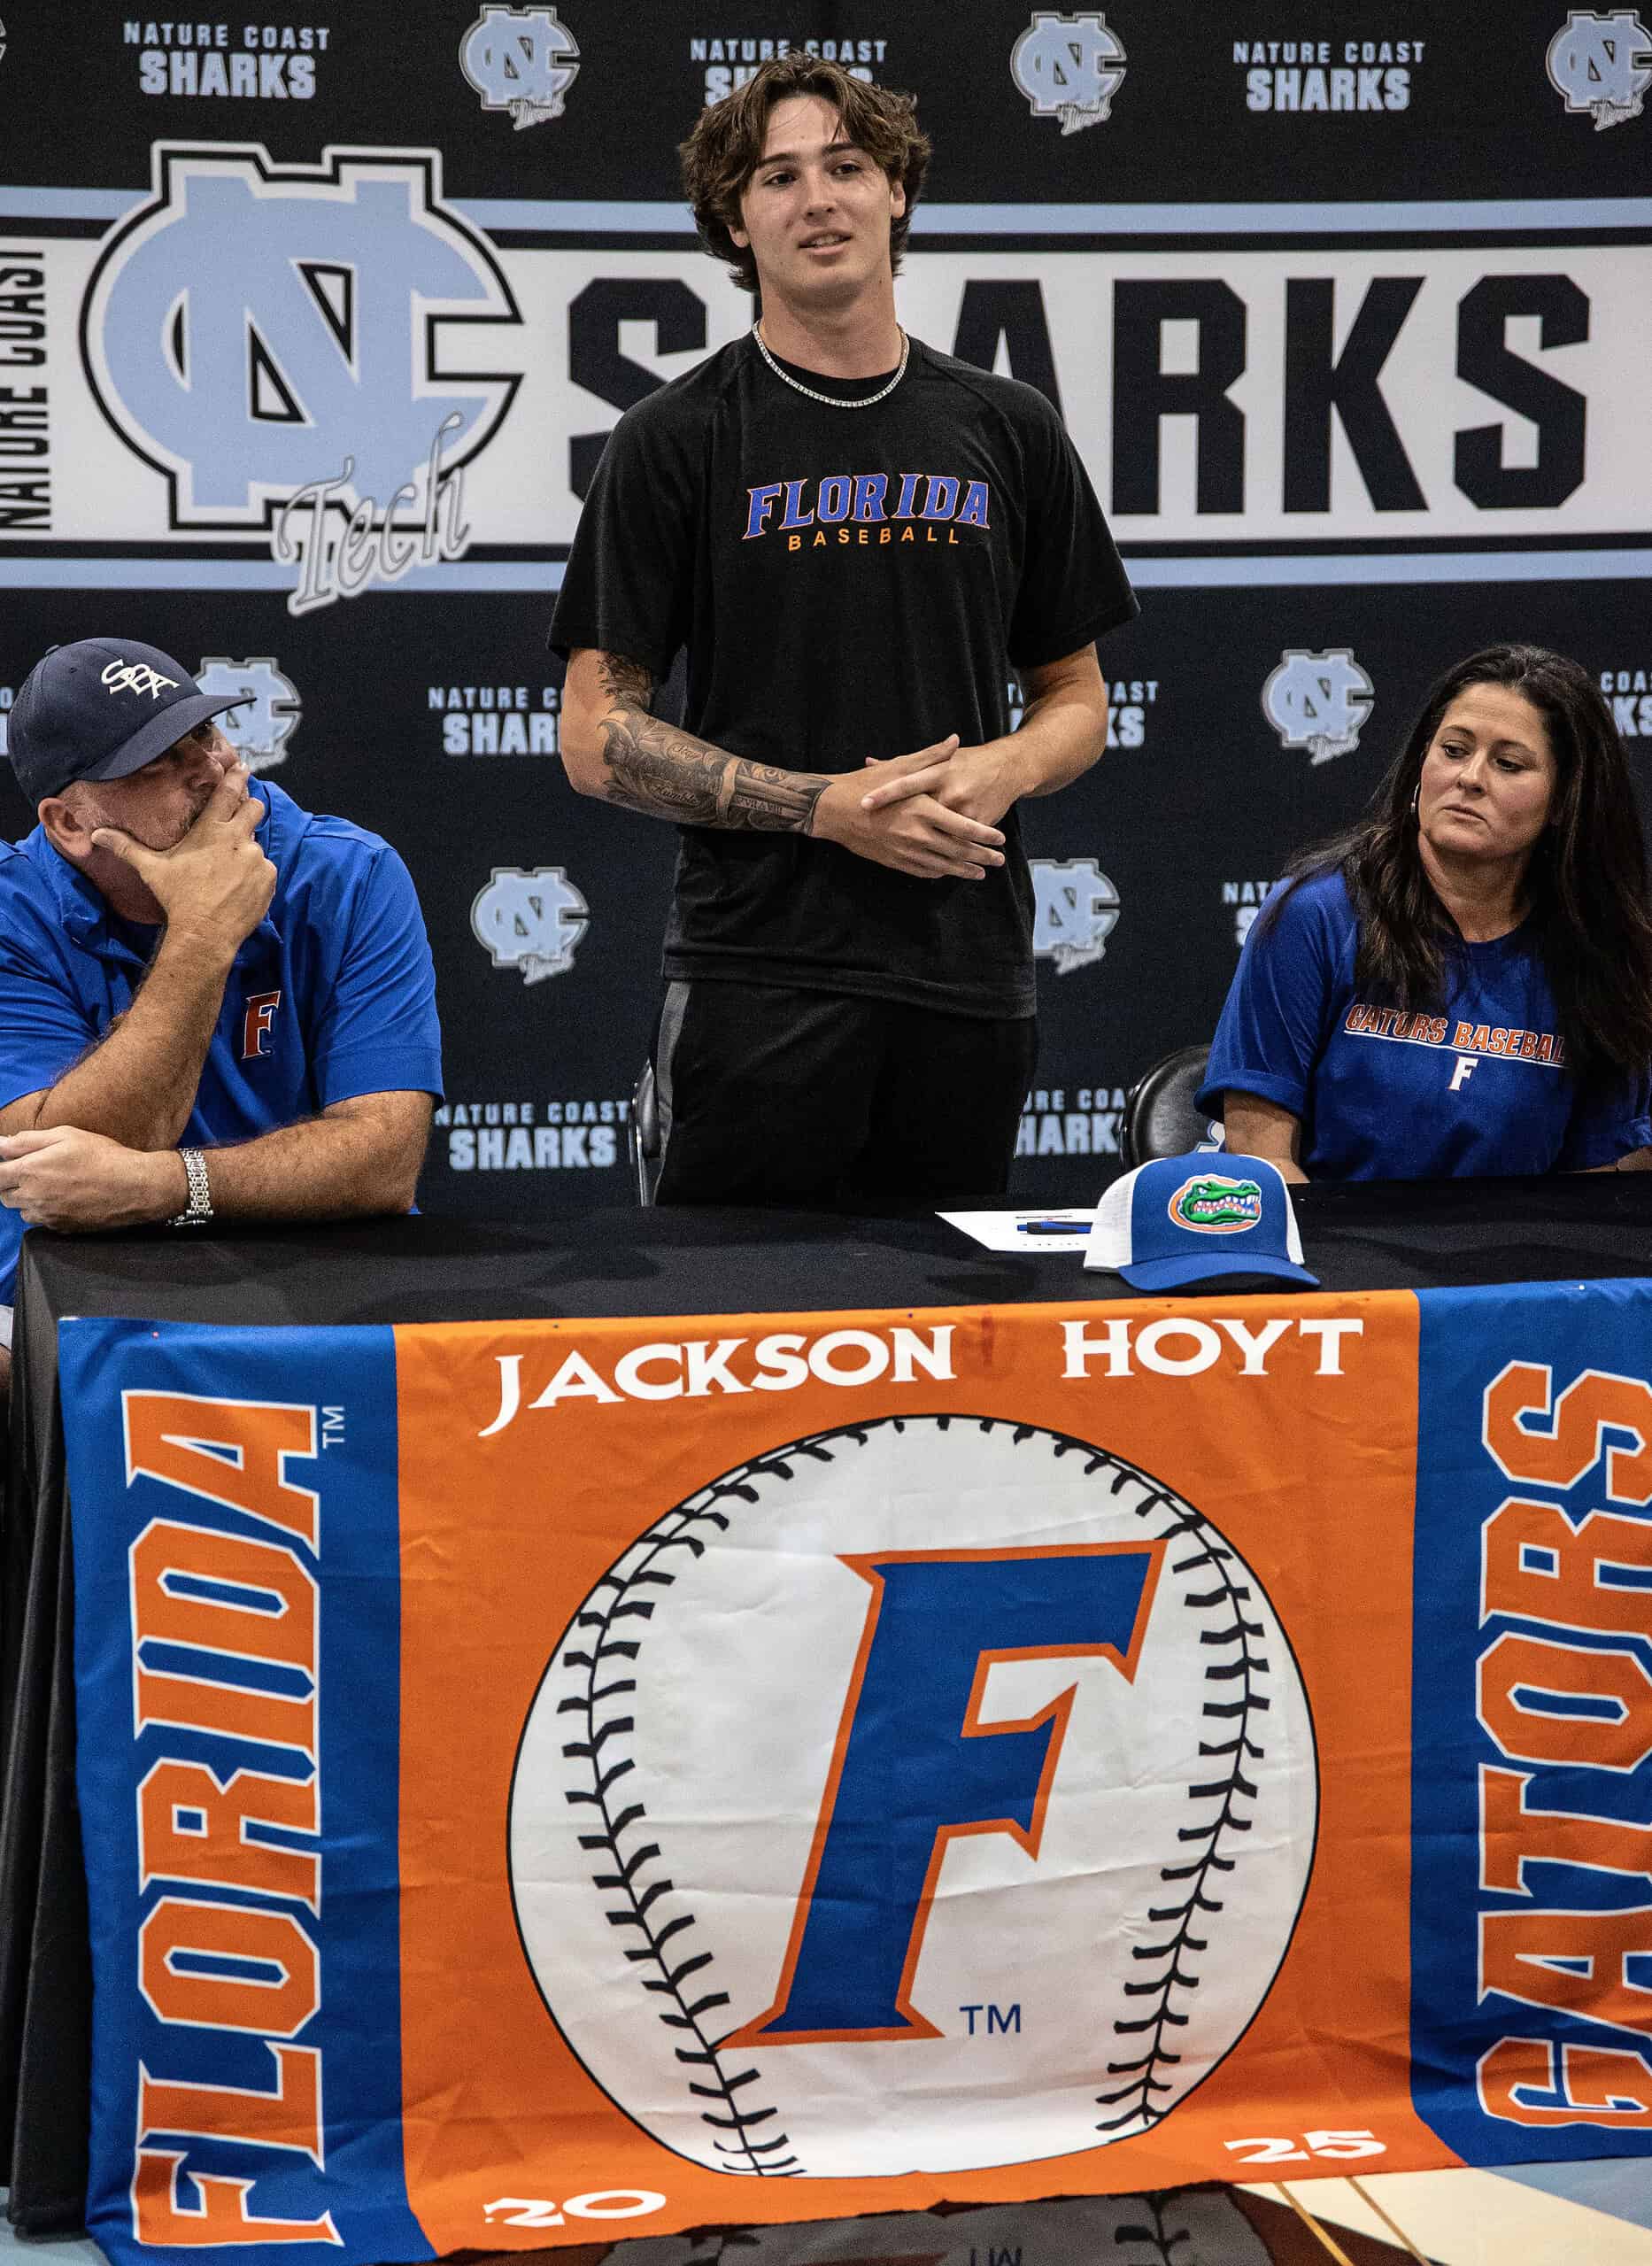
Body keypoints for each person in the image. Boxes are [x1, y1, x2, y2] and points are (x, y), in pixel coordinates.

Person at [550, 52, 1137, 1210]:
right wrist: (822, 808)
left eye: (846, 165)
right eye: (777, 177)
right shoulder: (674, 438)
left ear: (896, 192)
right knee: (731, 1340)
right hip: (758, 970)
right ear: (735, 220)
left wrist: (997, 767)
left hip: (965, 969)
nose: (817, 199)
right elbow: (594, 732)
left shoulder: (1007, 428)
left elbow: (1077, 698)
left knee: (939, 1346)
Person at [0, 637, 444, 1396]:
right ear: (70, 823)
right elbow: (52, 1168)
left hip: (300, 1282)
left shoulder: (347, 872)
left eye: (202, 732)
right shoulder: (14, 911)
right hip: (67, 1302)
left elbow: (384, 1158)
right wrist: (201, 934)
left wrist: (172, 1185)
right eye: (156, 765)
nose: (210, 769)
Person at [1198, 644, 1652, 1181]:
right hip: (1336, 1253)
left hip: (1520, 1260)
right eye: (1454, 750)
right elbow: (1262, 1161)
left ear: (1563, 803)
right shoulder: (1315, 914)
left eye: (1508, 764)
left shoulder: (1595, 947)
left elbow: (1603, 1182)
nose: (1470, 778)